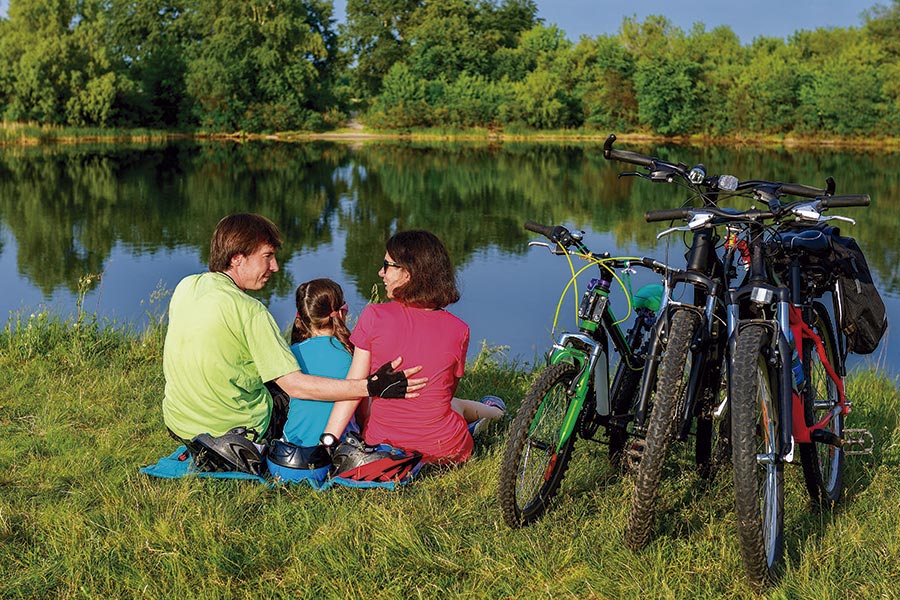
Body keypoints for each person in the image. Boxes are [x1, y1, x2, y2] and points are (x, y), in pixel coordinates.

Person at [161, 214, 426, 471]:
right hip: (231, 427)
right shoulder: (251, 311)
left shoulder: (187, 286)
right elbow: (297, 387)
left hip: (179, 423)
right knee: (305, 392)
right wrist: (369, 386)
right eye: (267, 256)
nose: (275, 266)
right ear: (237, 258)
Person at [346, 230, 505, 464]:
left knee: (450, 404)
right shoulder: (459, 329)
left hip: (382, 444)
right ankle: (496, 413)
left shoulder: (373, 316)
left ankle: (494, 412)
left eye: (387, 265)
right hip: (444, 448)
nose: (381, 272)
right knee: (454, 404)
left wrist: (341, 435)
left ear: (407, 274)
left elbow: (356, 388)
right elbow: (446, 392)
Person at [281, 278, 358, 447]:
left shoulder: (290, 354)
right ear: (340, 313)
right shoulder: (354, 354)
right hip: (342, 444)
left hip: (293, 444)